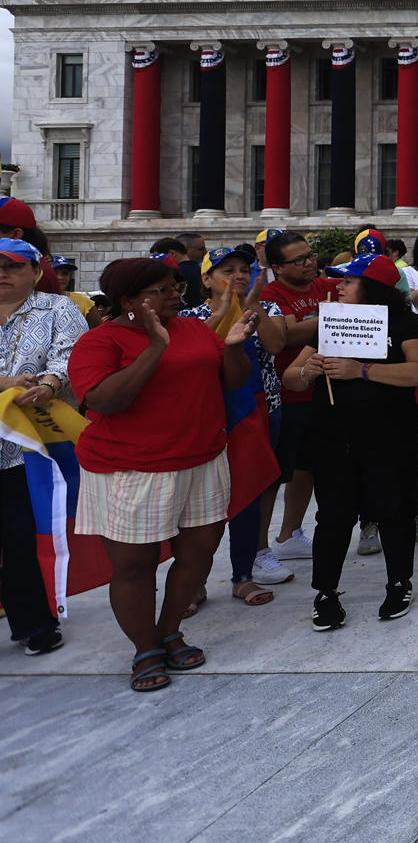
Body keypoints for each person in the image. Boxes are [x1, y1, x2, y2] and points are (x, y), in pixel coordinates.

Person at [68, 257, 258, 691]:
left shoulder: (191, 329)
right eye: (162, 290)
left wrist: (230, 347)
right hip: (132, 470)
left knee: (198, 555)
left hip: (203, 460)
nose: (176, 295)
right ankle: (144, 648)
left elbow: (234, 381)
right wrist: (155, 347)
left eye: (176, 287)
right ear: (128, 301)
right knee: (135, 567)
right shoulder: (101, 342)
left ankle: (169, 630)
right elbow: (104, 402)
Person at [289, 254, 418, 628]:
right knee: (333, 517)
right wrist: (308, 370)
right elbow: (291, 376)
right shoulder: (331, 323)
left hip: (389, 436)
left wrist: (363, 370)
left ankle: (399, 583)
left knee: (394, 512)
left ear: (373, 289)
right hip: (334, 437)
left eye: (348, 282)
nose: (337, 286)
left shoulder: (405, 322)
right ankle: (325, 592)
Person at [177, 246, 295, 605]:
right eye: (227, 269)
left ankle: (242, 576)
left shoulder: (266, 309)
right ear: (206, 279)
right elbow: (186, 359)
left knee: (250, 496)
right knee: (198, 505)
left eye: (244, 269)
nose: (239, 275)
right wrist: (224, 315)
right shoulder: (190, 318)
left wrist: (253, 306)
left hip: (260, 413)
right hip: (208, 418)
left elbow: (276, 345)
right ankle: (193, 582)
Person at [0, 238, 88, 654]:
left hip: (28, 445)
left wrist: (49, 384)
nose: (2, 273)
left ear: (35, 271)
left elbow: (68, 358)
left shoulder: (58, 308)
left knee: (20, 535)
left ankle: (33, 622)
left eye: (12, 266)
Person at [259, 232, 338, 563]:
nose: (310, 263)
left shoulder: (325, 286)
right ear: (277, 267)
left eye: (310, 256)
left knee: (309, 468)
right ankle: (259, 548)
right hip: (287, 394)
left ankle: (290, 533)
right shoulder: (270, 294)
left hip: (324, 392)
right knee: (277, 474)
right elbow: (285, 333)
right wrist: (337, 317)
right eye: (300, 260)